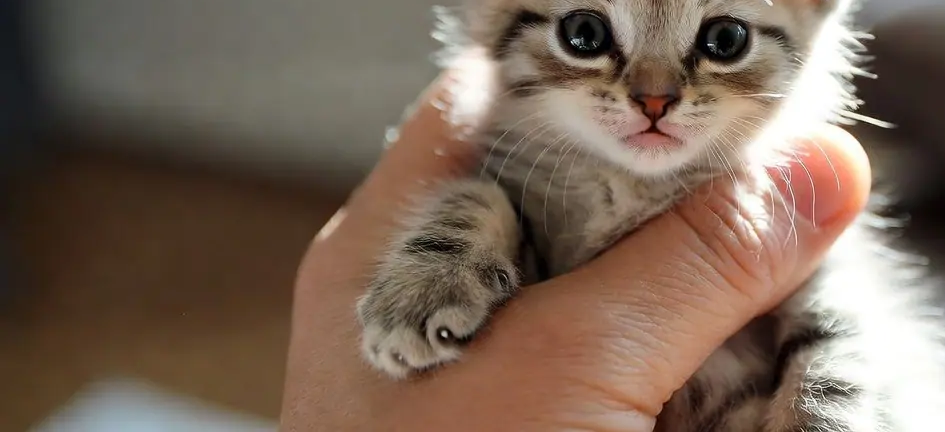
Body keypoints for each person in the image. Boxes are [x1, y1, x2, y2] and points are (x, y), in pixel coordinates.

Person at [280, 74, 871, 431]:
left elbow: (846, 338)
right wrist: (456, 240)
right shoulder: (519, 184)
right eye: (587, 36)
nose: (654, 95)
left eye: (721, 41)